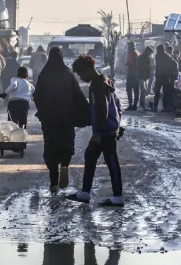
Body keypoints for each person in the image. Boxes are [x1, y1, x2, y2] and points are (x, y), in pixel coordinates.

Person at [66, 55, 124, 207]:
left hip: (104, 131)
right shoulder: (106, 80)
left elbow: (102, 109)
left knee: (111, 161)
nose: (81, 78)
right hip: (109, 128)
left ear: (87, 70)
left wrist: (98, 132)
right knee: (92, 156)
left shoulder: (97, 85)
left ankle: (117, 196)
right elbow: (117, 104)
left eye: (80, 74)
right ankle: (86, 193)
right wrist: (118, 123)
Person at [33, 47, 87, 193]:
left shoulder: (44, 74)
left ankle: (53, 184)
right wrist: (86, 111)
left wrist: (43, 111)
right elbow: (77, 94)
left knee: (50, 147)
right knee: (66, 144)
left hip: (50, 119)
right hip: (66, 117)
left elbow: (37, 95)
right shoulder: (68, 73)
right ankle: (64, 165)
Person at [154, 44, 178, 112]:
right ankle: (155, 106)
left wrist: (172, 74)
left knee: (166, 92)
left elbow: (175, 64)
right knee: (157, 91)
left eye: (159, 51)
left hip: (165, 77)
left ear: (162, 50)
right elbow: (157, 66)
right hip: (158, 76)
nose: (158, 52)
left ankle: (165, 106)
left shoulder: (168, 57)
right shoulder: (157, 56)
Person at [125, 42, 139, 111]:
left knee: (129, 90)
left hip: (132, 75)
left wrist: (127, 64)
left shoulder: (132, 53)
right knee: (136, 91)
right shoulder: (137, 53)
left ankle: (131, 105)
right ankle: (134, 105)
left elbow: (132, 63)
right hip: (136, 75)